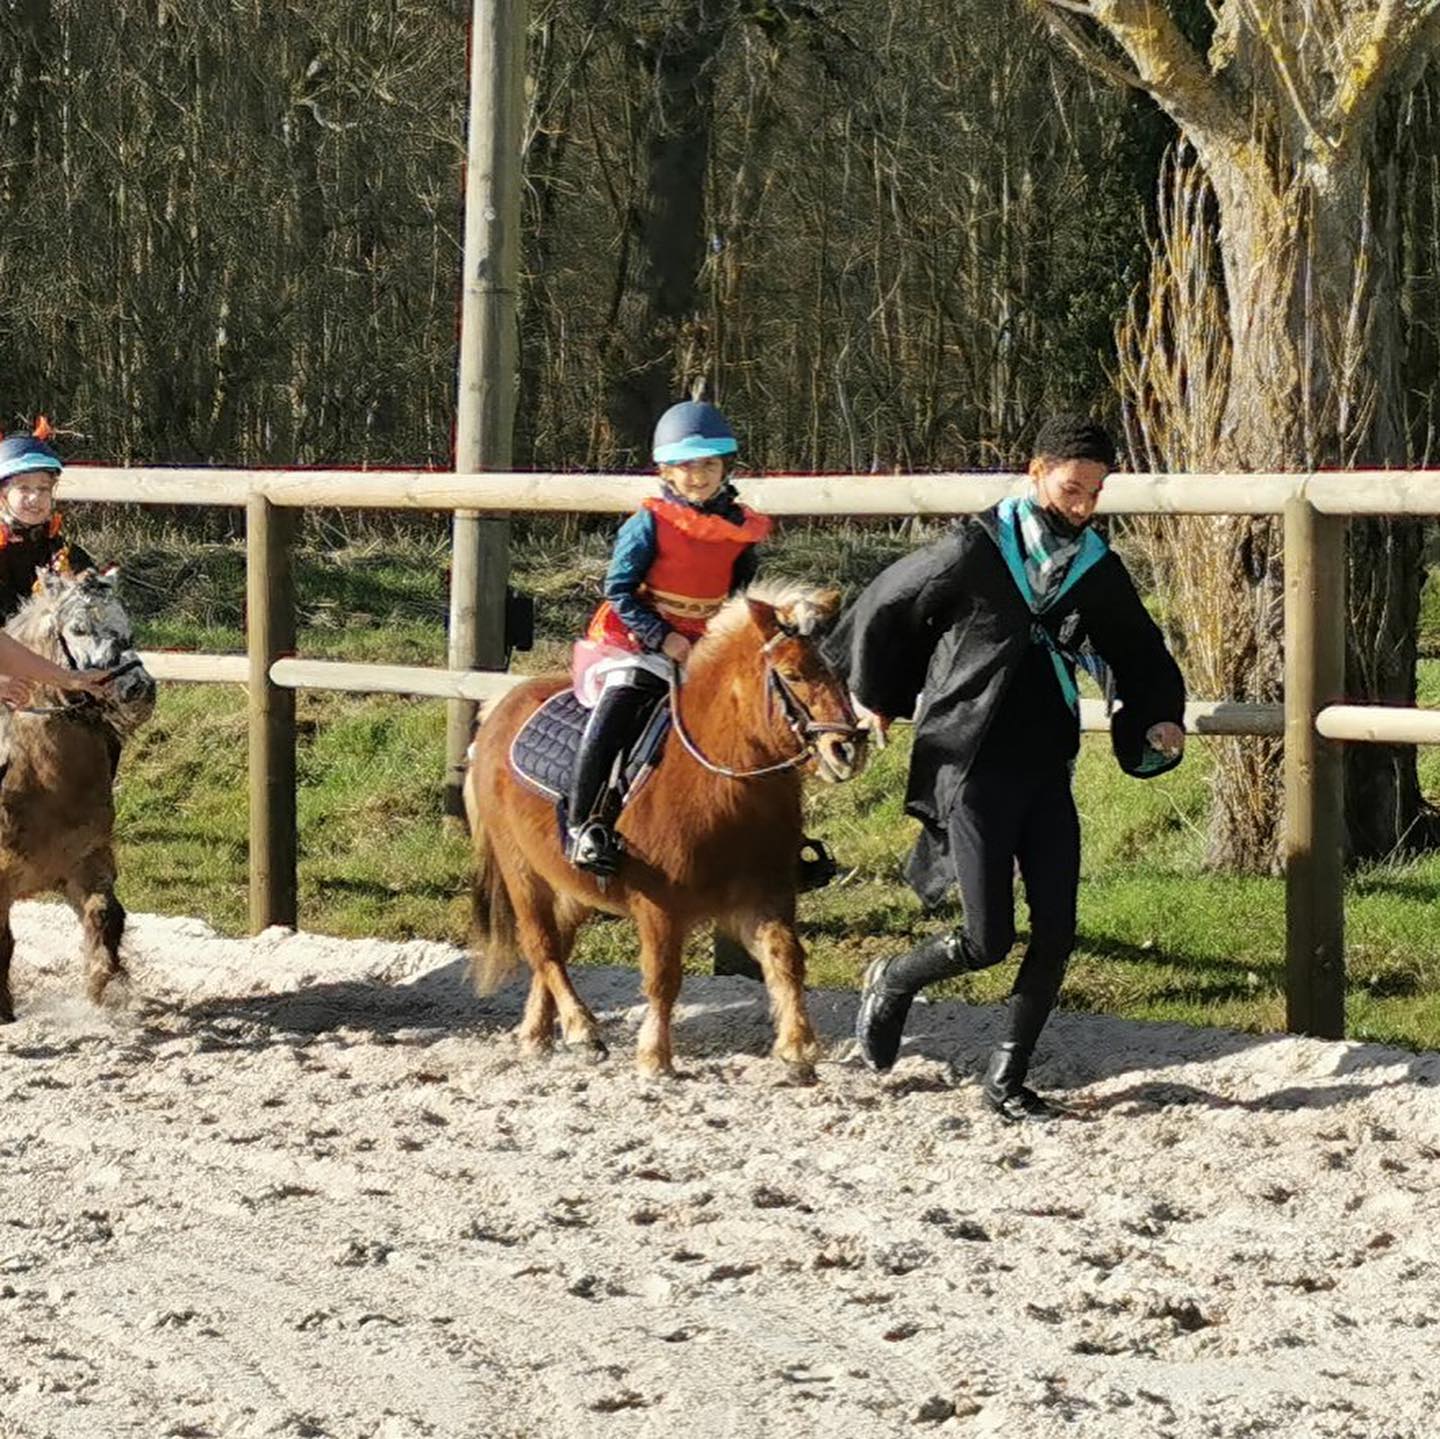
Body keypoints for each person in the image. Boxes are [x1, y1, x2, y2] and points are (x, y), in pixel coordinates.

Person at [827, 414, 1186, 1121]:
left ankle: (1007, 1080)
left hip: (1047, 763)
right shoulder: (973, 549)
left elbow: (1139, 649)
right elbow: (889, 603)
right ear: (1035, 471)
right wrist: (876, 694)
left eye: (1095, 493)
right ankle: (893, 978)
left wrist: (1157, 716)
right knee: (986, 939)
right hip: (970, 763)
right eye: (1072, 488)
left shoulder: (1095, 570)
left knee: (1058, 929)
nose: (1082, 505)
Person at [565, 400, 770, 874]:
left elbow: (741, 592)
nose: (698, 476)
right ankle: (585, 825)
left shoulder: (742, 530)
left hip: (709, 638)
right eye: (685, 466)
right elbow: (617, 590)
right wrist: (663, 637)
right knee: (623, 703)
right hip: (640, 633)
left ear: (725, 468)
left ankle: (768, 831)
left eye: (708, 465)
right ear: (666, 471)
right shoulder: (649, 524)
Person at [0, 422, 111, 712]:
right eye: (23, 488)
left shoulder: (66, 553)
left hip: (55, 673)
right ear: (2, 495)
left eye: (43, 489)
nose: (35, 498)